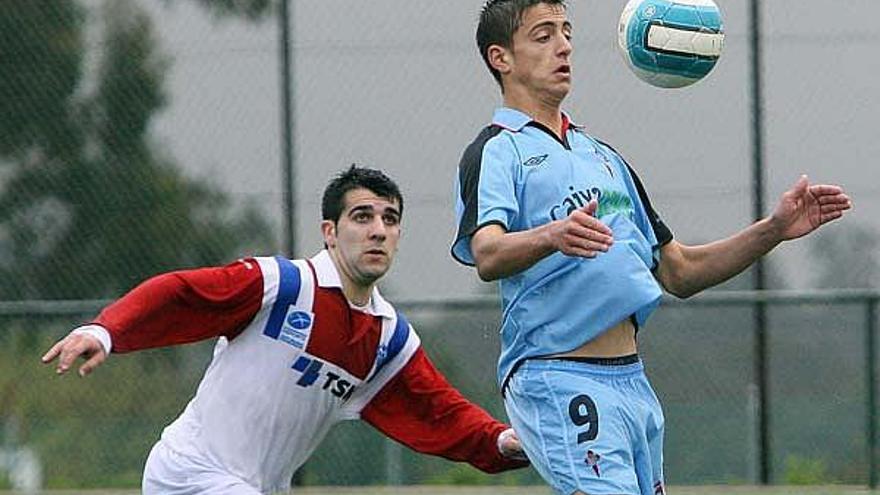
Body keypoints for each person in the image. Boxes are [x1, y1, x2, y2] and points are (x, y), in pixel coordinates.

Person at [451, 1, 853, 494]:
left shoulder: (603, 157)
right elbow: (487, 254)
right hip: (557, 378)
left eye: (566, 32)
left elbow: (678, 270)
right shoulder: (497, 149)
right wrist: (551, 235)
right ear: (501, 58)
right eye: (543, 35)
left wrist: (772, 228)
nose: (564, 46)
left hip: (632, 382)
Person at [43, 165, 528, 494]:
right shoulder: (282, 285)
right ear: (330, 232)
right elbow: (180, 294)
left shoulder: (387, 340)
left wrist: (503, 442)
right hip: (188, 476)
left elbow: (440, 414)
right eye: (362, 216)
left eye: (390, 219)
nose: (378, 229)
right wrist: (107, 331)